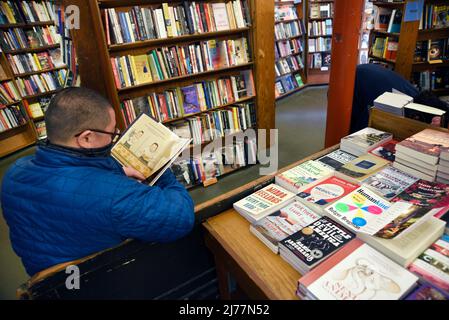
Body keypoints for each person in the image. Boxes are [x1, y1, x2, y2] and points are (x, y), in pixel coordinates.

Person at [1, 87, 195, 276]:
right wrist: (163, 167)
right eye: (112, 133)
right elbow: (181, 217)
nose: (113, 139)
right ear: (86, 138)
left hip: (50, 284)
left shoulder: (14, 172)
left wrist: (115, 171)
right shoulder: (116, 195)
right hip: (101, 283)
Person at [350, 63, 449, 133]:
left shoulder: (415, 97)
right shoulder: (402, 107)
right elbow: (367, 124)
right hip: (359, 81)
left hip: (366, 74)